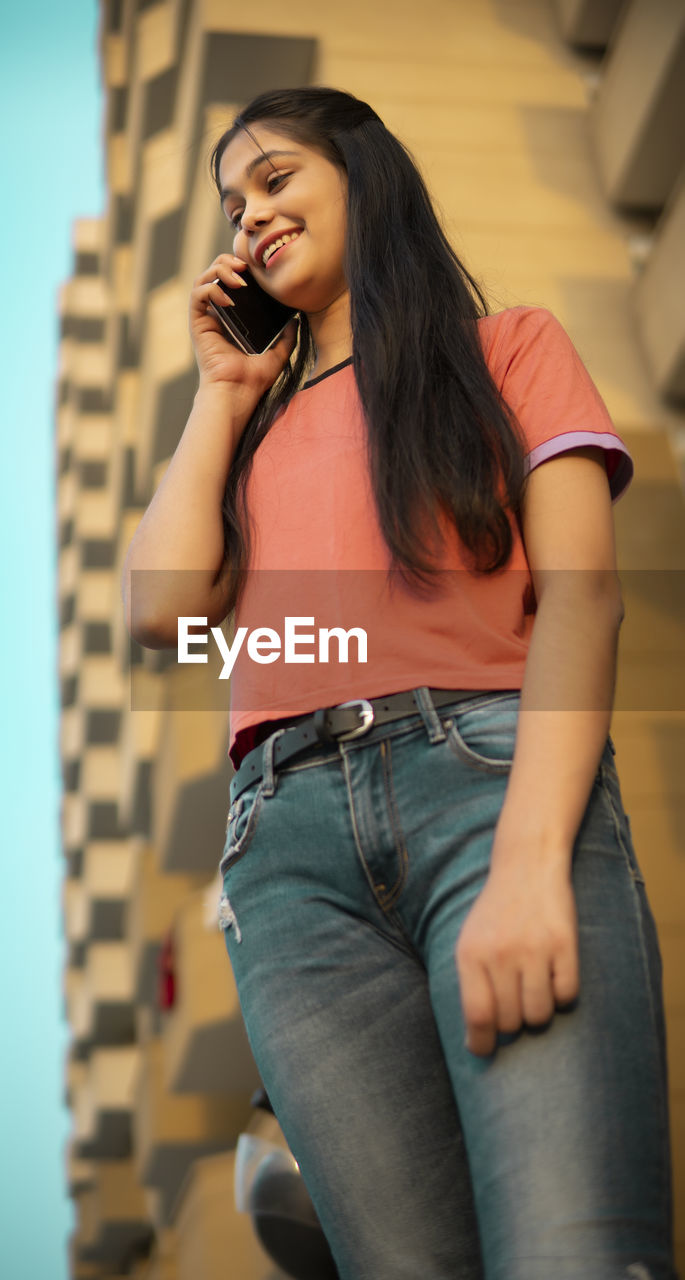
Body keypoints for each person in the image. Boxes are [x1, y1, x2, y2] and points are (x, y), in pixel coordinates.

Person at [122, 87, 677, 1280]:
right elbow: (157, 607)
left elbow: (583, 599)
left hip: (486, 790)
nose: (250, 217)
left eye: (273, 179)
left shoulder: (506, 350)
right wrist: (219, 393)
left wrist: (531, 869)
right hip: (285, 859)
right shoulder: (248, 435)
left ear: (362, 173)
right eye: (233, 206)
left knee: (570, 1252)